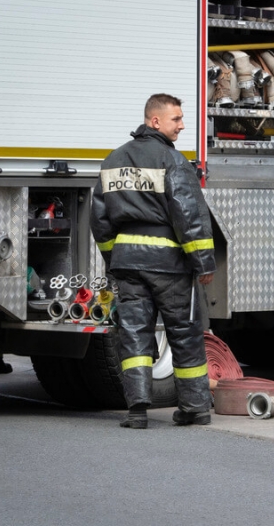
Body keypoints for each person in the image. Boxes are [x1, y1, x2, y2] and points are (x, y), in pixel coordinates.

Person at [90, 93, 216, 429]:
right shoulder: (172, 160)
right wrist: (203, 262)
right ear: (155, 121)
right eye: (176, 119)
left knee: (133, 334)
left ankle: (137, 411)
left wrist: (113, 256)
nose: (182, 125)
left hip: (128, 265)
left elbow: (99, 219)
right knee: (185, 333)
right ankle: (194, 408)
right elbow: (189, 215)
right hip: (169, 265)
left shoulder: (113, 160)